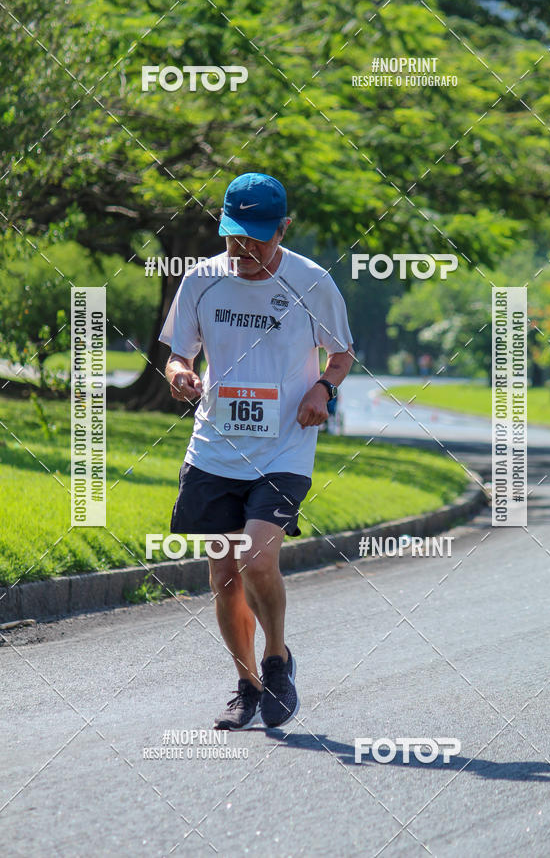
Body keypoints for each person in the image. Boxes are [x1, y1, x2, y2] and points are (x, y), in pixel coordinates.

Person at [159, 172, 354, 730]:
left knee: (257, 557)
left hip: (283, 448)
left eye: (258, 239)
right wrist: (181, 376)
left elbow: (340, 354)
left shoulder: (311, 283)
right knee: (223, 574)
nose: (244, 250)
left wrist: (324, 388)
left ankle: (278, 658)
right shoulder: (202, 281)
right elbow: (180, 355)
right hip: (216, 448)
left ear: (283, 229)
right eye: (234, 237)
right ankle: (247, 685)